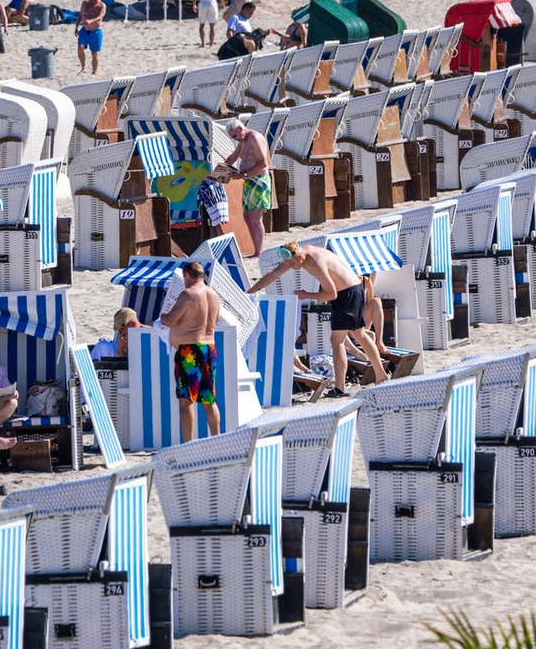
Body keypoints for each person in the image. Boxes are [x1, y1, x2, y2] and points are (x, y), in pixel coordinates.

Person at [249, 240, 388, 395]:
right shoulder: (297, 253)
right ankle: (380, 376)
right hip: (352, 289)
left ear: (299, 257)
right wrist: (250, 292)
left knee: (338, 341)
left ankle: (341, 387)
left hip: (347, 294)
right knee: (358, 335)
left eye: (292, 263)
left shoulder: (316, 263)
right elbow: (273, 274)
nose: (290, 266)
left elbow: (331, 294)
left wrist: (306, 295)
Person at [159, 261, 221, 442]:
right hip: (209, 349)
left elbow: (170, 320)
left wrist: (162, 316)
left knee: (186, 401)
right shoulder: (213, 294)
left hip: (190, 352)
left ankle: (188, 444)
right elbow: (216, 320)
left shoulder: (188, 294)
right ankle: (217, 440)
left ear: (187, 275)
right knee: (208, 400)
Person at [222, 118, 272, 259]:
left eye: (234, 136)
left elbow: (263, 164)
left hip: (258, 181)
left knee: (255, 217)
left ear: (240, 129)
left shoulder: (254, 138)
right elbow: (232, 158)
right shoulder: (243, 140)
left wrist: (242, 175)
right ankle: (256, 249)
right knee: (247, 216)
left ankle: (259, 252)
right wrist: (218, 174)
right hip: (248, 182)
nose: (235, 139)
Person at [76, 0, 106, 75]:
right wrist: (76, 27)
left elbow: (100, 16)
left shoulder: (101, 5)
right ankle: (83, 67)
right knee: (80, 47)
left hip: (95, 31)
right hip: (84, 30)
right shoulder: (85, 3)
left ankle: (94, 72)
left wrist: (91, 21)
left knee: (94, 53)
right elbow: (80, 15)